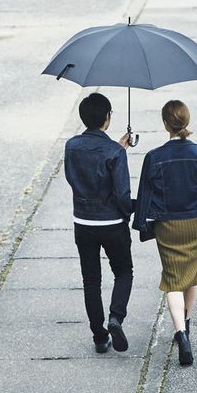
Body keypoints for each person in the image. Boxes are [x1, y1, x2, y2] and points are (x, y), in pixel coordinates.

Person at [133, 100, 197, 367]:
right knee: (192, 271)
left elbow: (144, 195)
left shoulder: (154, 157)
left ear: (164, 124)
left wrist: (140, 223)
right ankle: (187, 320)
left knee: (172, 278)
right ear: (187, 121)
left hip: (168, 225)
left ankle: (180, 333)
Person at [64, 92, 134, 354]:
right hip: (112, 223)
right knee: (124, 272)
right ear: (107, 118)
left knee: (91, 280)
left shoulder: (71, 146)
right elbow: (122, 194)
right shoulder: (114, 152)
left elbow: (73, 177)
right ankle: (115, 317)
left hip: (83, 222)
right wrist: (130, 213)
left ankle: (99, 336)